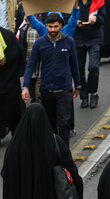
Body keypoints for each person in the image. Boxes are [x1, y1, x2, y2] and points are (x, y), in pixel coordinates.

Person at [22, 13, 81, 148]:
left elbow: (74, 64)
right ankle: (53, 154)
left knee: (63, 125)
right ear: (46, 26)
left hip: (64, 90)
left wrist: (77, 84)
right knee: (50, 125)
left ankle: (64, 156)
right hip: (46, 90)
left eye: (55, 26)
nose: (53, 30)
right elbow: (31, 64)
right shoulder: (40, 43)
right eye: (50, 27)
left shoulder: (69, 41)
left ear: (61, 25)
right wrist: (25, 86)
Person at [74, 0, 105, 109]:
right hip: (78, 39)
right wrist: (75, 21)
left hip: (94, 39)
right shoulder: (74, 2)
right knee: (79, 69)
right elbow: (66, 18)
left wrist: (96, 19)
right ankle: (84, 97)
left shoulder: (98, 2)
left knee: (93, 67)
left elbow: (103, 18)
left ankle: (93, 93)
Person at [0, 27, 24, 139]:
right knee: (16, 113)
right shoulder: (9, 35)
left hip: (7, 82)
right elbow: (20, 55)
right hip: (11, 82)